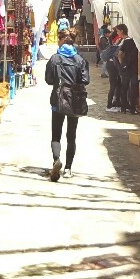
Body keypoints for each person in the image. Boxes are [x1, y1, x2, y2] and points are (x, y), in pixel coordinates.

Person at [43, 30, 90, 181]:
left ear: (62, 41)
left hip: (58, 98)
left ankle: (56, 160)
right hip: (74, 100)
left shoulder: (55, 58)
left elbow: (48, 80)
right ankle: (68, 168)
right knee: (71, 135)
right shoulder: (80, 60)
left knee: (56, 134)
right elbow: (85, 80)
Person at [114, 24, 140, 113]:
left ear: (122, 31)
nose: (117, 33)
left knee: (124, 87)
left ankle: (124, 107)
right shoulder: (137, 42)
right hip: (135, 66)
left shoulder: (126, 41)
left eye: (118, 31)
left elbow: (119, 55)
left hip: (126, 67)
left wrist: (122, 64)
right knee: (133, 87)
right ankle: (132, 107)